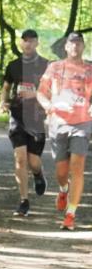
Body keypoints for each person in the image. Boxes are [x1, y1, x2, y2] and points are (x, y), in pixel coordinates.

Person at [37, 31, 92, 230]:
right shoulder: (55, 67)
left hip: (82, 123)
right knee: (61, 172)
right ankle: (63, 189)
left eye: (79, 43)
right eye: (72, 43)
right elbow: (41, 92)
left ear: (83, 46)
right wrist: (48, 106)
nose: (75, 46)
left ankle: (71, 214)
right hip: (58, 123)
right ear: (66, 47)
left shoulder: (89, 69)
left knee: (77, 167)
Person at [0, 29, 49, 217]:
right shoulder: (13, 65)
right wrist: (3, 101)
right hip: (17, 116)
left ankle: (38, 174)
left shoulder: (46, 65)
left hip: (36, 117)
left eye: (31, 41)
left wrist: (34, 94)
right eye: (25, 40)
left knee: (33, 161)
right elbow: (6, 88)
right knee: (20, 159)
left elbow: (52, 91)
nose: (27, 44)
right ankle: (23, 201)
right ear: (21, 43)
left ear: (37, 43)